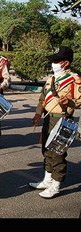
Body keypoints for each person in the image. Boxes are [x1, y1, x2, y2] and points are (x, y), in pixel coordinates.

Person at [29, 46, 81, 199]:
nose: (53, 63)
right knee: (46, 150)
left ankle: (56, 184)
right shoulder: (51, 78)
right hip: (48, 117)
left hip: (62, 118)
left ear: (65, 63)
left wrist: (70, 102)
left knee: (57, 152)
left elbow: (79, 100)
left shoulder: (74, 79)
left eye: (57, 60)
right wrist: (38, 113)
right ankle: (47, 179)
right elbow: (42, 97)